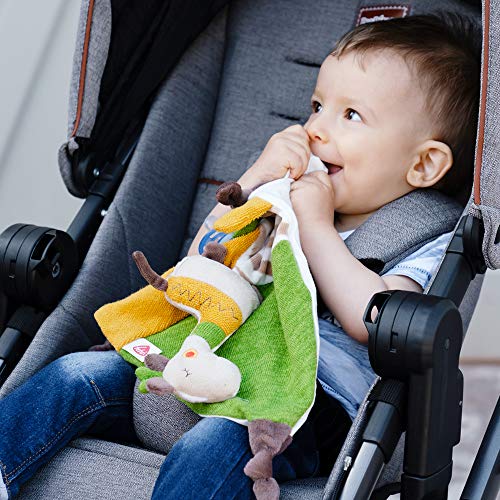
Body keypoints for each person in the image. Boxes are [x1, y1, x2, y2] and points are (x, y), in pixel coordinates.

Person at [0, 12, 480, 500]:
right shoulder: (278, 197)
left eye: (350, 115)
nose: (314, 128)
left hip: (300, 404)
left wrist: (316, 228)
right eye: (316, 106)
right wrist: (254, 179)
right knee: (75, 373)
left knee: (212, 445)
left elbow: (376, 320)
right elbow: (198, 267)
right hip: (204, 358)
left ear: (424, 164)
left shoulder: (425, 237)